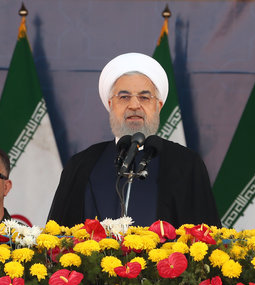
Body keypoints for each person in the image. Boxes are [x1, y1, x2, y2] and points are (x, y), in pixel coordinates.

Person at [48, 52, 220, 227]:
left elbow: (206, 243)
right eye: (124, 97)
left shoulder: (187, 164)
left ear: (158, 106)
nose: (134, 105)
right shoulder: (81, 165)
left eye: (144, 97)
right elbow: (57, 241)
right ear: (110, 105)